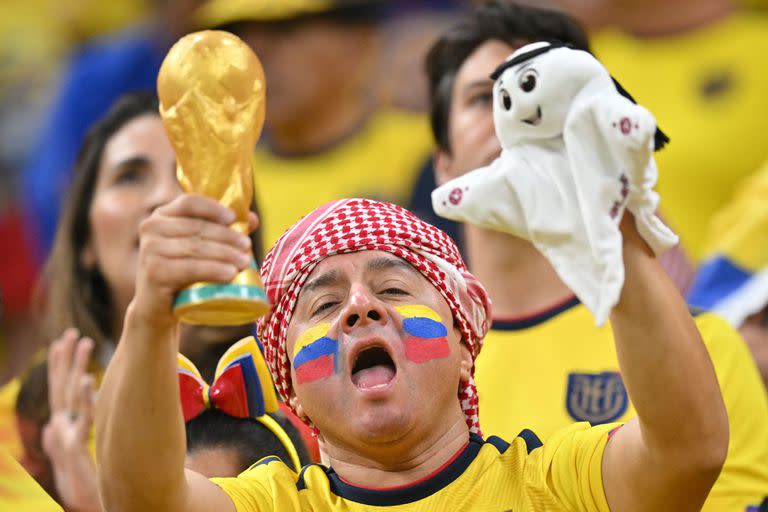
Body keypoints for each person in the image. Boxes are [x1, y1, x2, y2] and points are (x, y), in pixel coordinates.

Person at [96, 194, 727, 510]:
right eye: (322, 304)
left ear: (462, 342)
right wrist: (151, 310)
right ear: (290, 386)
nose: (361, 307)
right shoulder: (274, 503)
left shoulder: (551, 486)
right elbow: (139, 500)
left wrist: (614, 237)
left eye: (395, 288)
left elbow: (688, 450)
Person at [424, 2, 768, 510]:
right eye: (484, 98)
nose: (518, 118)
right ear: (444, 166)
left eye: (548, 93)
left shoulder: (702, 347)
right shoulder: (408, 373)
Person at [196, 0, 435, 247]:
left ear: (360, 41)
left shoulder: (432, 149)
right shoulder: (223, 189)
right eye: (238, 38)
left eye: (286, 30)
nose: (256, 58)